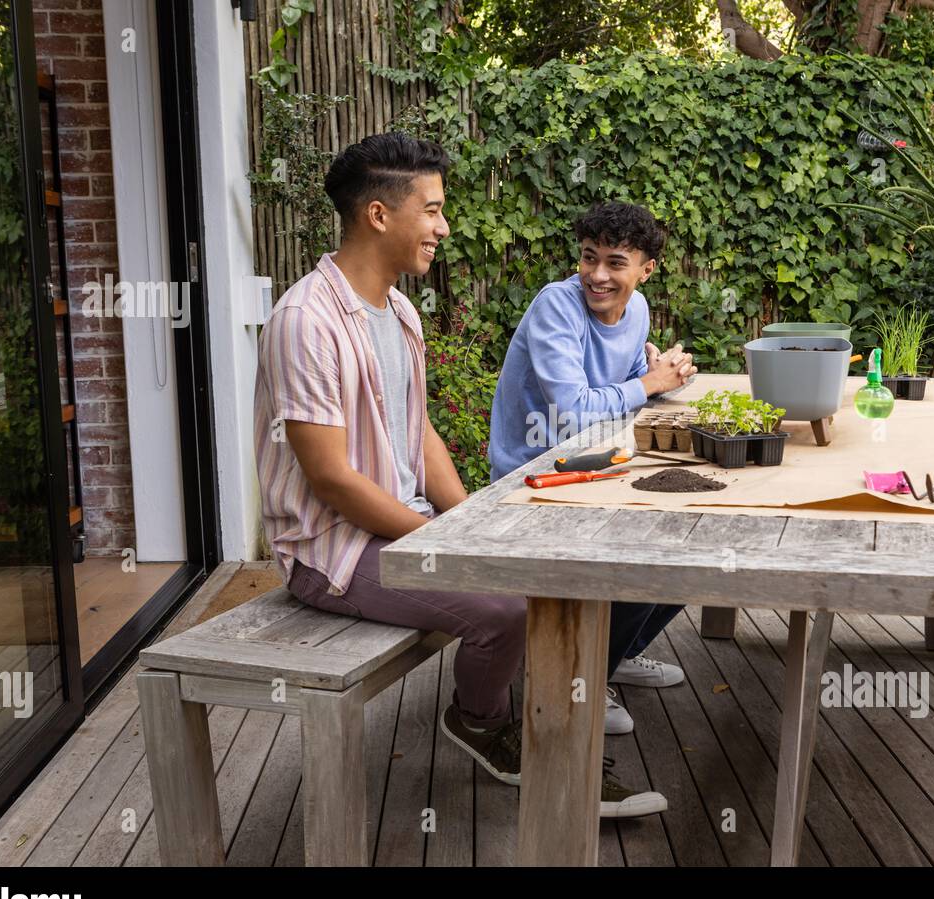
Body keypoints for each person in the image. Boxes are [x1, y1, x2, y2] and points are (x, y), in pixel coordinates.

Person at [253, 134, 665, 819]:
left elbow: (419, 433)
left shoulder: (401, 313)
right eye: (434, 209)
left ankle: (563, 728)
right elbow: (329, 478)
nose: (445, 226)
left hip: (398, 527)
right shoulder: (306, 320)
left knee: (552, 564)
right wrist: (437, 541)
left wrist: (471, 518)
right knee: (505, 606)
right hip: (332, 551)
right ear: (380, 215)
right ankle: (485, 722)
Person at [489, 201, 698, 735]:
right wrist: (649, 385)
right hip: (533, 476)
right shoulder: (556, 308)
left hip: (599, 466)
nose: (597, 275)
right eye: (589, 258)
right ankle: (581, 673)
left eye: (615, 262)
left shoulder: (639, 310)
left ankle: (617, 652)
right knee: (637, 551)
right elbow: (572, 413)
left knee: (691, 543)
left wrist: (657, 373)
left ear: (645, 269)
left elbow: (623, 390)